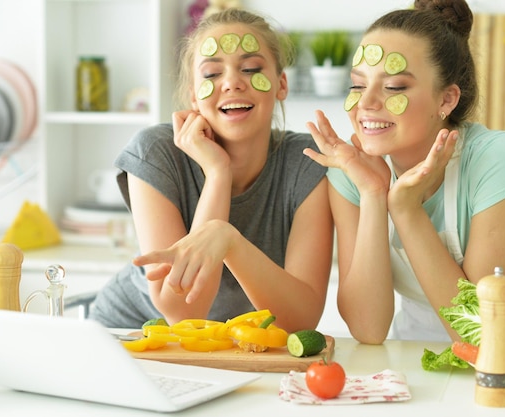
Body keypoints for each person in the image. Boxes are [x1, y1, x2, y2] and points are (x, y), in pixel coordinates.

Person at [303, 0, 505, 343]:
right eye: (357, 85)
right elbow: (368, 330)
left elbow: (479, 333)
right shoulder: (351, 173)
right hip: (411, 360)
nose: (366, 103)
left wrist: (406, 209)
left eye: (394, 86)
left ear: (446, 100)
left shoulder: (497, 159)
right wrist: (372, 195)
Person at [88, 8, 333, 332]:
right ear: (193, 95)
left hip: (231, 349)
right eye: (212, 74)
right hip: (129, 336)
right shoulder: (154, 151)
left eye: (250, 68)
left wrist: (228, 240)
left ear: (281, 84)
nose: (231, 82)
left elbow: (301, 321)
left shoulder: (307, 161)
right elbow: (184, 313)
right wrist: (218, 172)